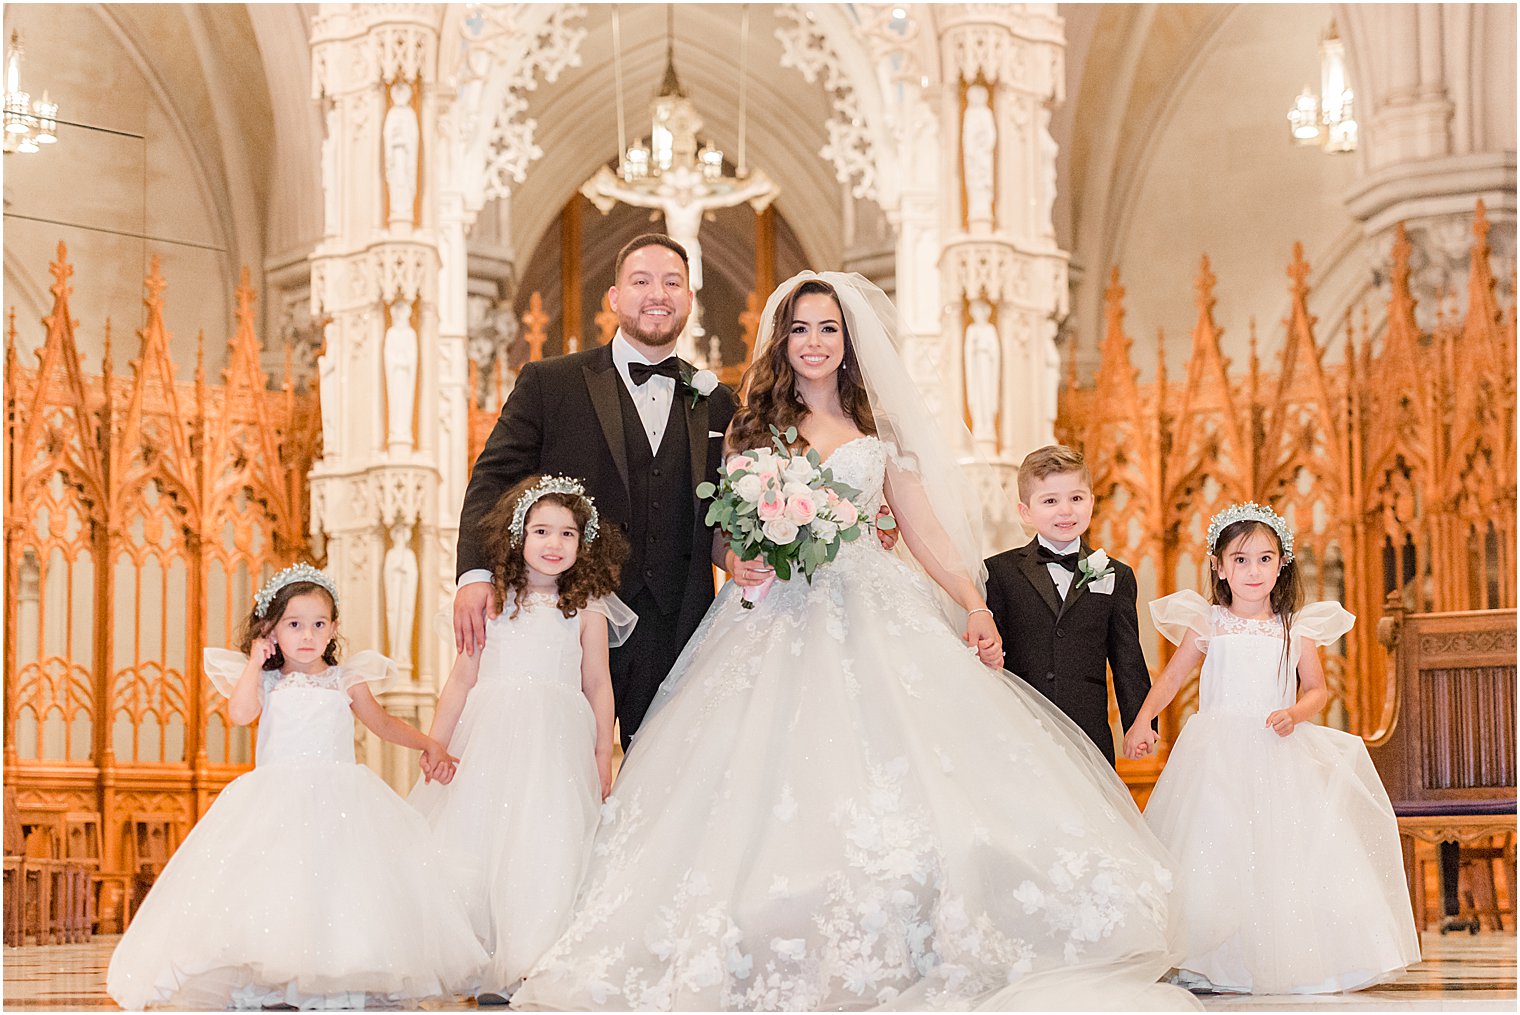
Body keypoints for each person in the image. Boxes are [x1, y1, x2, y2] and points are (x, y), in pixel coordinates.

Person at [513, 273, 1190, 1012]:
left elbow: (923, 528)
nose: (813, 342)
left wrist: (971, 602)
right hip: (771, 615)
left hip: (873, 602)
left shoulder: (878, 435)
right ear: (784, 340)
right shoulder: (752, 428)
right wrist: (736, 553)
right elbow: (720, 529)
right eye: (800, 328)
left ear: (848, 339)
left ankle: (920, 931)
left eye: (827, 328)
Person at [106, 564, 485, 1010]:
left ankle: (340, 976)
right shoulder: (267, 680)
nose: (307, 635)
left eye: (318, 624)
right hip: (275, 800)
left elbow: (381, 723)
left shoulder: (346, 678)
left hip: (342, 799)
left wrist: (430, 745)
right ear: (272, 631)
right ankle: (272, 977)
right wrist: (253, 660)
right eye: (294, 624)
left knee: (341, 889)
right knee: (275, 885)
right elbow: (241, 714)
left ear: (333, 629)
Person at [454, 234, 740, 750]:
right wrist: (475, 573)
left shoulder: (718, 401)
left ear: (689, 299)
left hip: (678, 627)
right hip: (567, 619)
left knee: (666, 785)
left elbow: (732, 511)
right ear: (613, 298)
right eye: (642, 281)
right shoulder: (550, 383)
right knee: (563, 779)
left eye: (673, 282)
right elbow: (492, 480)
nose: (658, 293)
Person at [1122, 503, 1420, 994]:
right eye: (1240, 560)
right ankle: (1208, 960)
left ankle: (1284, 957)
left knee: (1280, 850)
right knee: (1214, 848)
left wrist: (1296, 714)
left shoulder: (1295, 626)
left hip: (1276, 747)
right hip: (1215, 753)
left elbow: (1317, 689)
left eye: (1264, 559)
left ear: (1281, 563)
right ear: (1218, 566)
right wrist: (1141, 721)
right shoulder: (1209, 623)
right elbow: (1172, 679)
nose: (1252, 570)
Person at [411, 475, 633, 1003]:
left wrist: (604, 751)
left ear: (584, 544)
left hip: (558, 742)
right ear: (517, 536)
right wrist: (436, 744)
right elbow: (461, 679)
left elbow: (598, 683)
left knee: (545, 838)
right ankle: (476, 960)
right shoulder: (490, 603)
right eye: (541, 531)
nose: (554, 544)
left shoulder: (586, 609)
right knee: (478, 837)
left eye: (567, 534)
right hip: (489, 738)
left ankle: (527, 964)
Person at [983, 445, 1151, 765]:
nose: (1066, 511)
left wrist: (1139, 723)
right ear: (1025, 512)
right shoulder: (998, 573)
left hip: (1088, 731)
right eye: (1050, 501)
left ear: (1091, 501)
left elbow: (1128, 660)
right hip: (1022, 727)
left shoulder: (1116, 574)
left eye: (1076, 498)